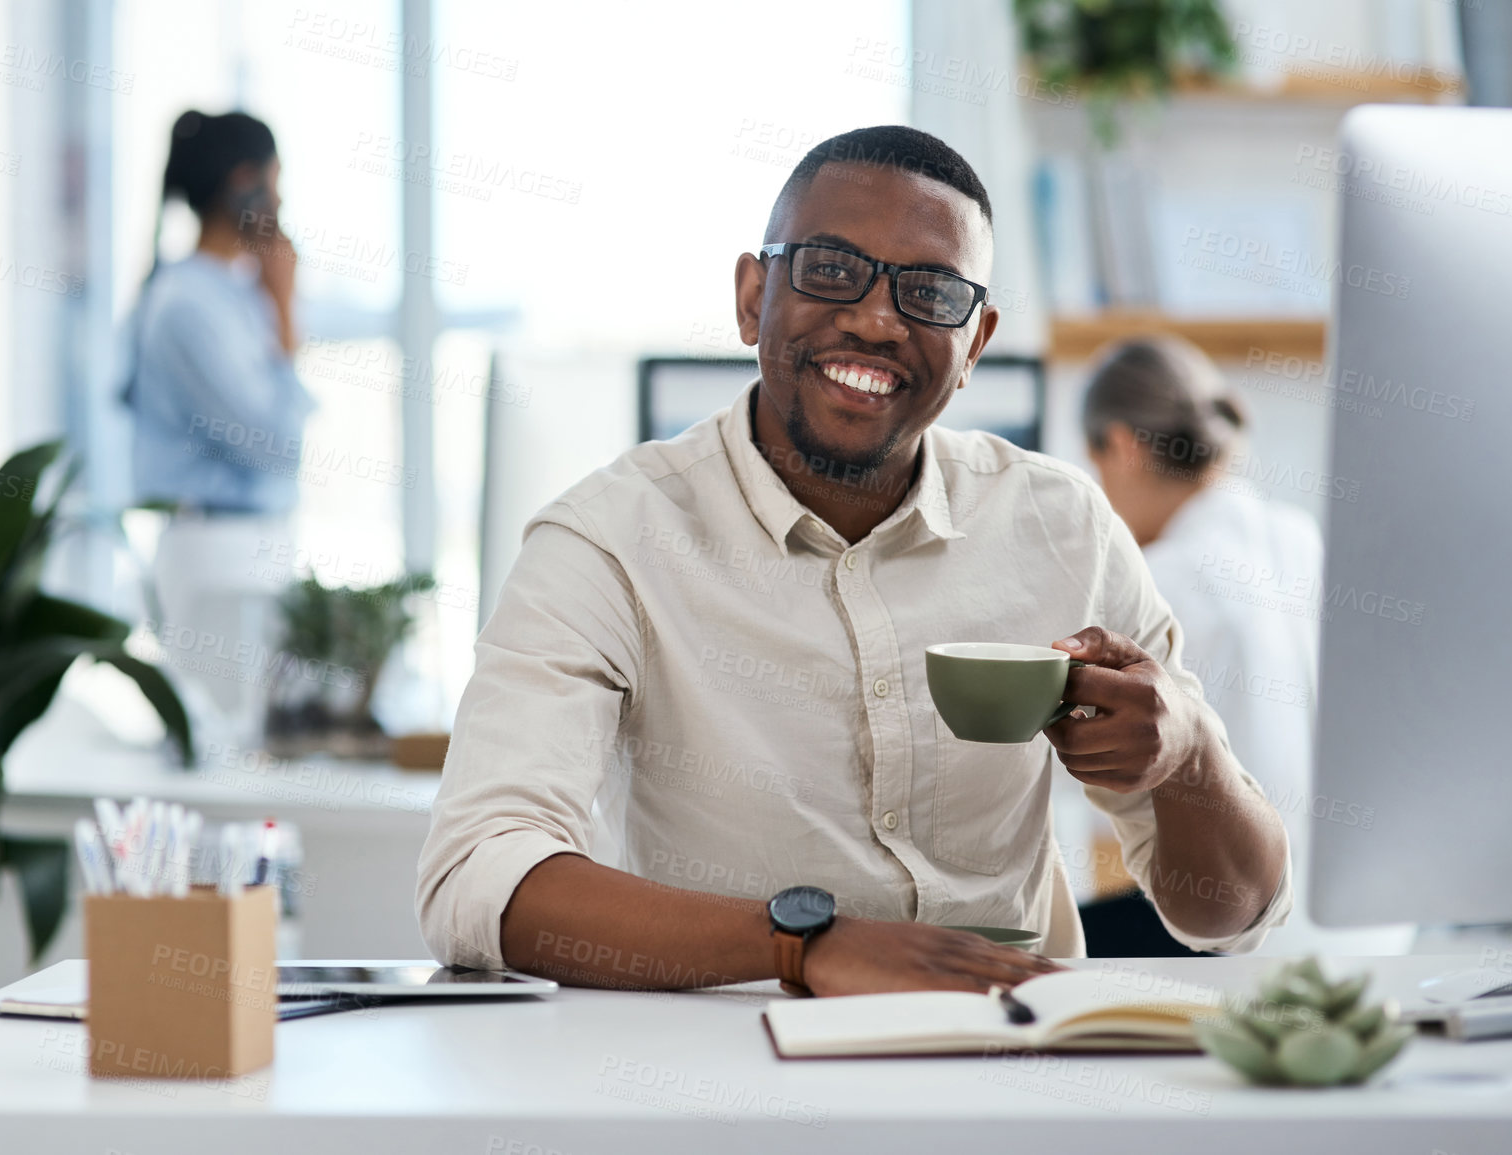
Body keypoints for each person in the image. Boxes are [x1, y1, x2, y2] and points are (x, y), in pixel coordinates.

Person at [417, 126, 1292, 997]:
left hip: (1016, 1067)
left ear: (974, 345)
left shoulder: (1064, 525)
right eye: (830, 269)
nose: (876, 319)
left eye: (929, 292)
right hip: (730, 1076)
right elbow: (479, 876)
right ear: (751, 295)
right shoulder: (608, 538)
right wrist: (801, 943)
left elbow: (1232, 916)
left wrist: (1185, 758)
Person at [1081, 336, 1414, 957]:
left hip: (1258, 942)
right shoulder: (1300, 538)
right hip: (1374, 933)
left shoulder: (1162, 577)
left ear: (1122, 447)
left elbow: (1105, 799)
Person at [124, 110, 315, 743]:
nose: (282, 201)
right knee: (223, 755)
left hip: (249, 551)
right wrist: (285, 307)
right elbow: (276, 443)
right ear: (244, 182)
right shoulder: (189, 304)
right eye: (275, 182)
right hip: (217, 555)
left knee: (259, 746)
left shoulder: (231, 293)